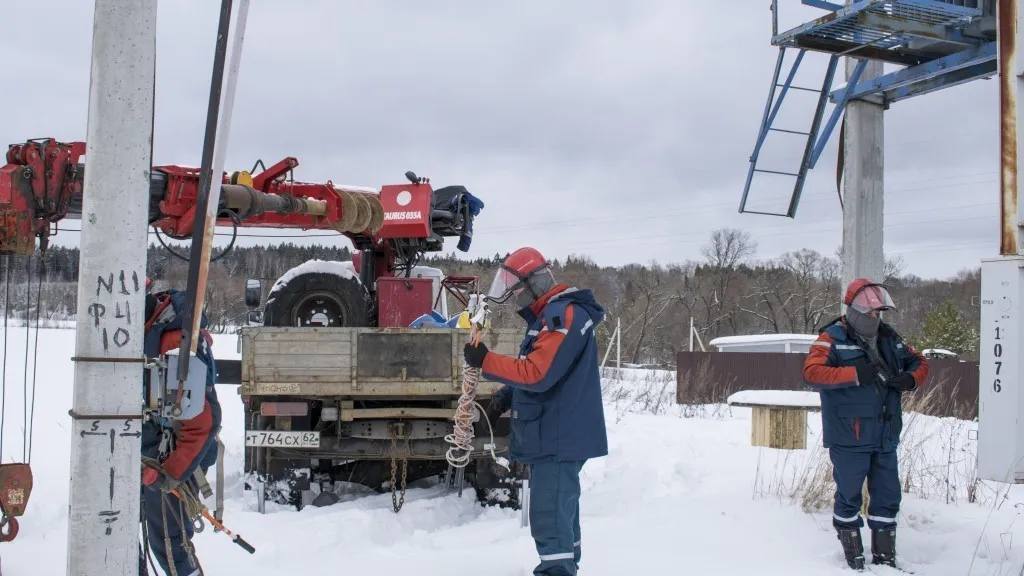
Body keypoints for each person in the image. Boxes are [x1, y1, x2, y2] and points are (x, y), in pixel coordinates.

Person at [463, 247, 608, 576]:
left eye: (518, 293)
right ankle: (566, 566)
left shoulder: (563, 316)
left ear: (533, 284)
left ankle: (558, 571)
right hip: (556, 432)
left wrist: (485, 361)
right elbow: (548, 369)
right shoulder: (550, 317)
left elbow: (539, 374)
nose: (517, 301)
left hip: (558, 436)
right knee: (561, 513)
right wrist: (507, 394)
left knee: (550, 518)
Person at [802, 279, 929, 570]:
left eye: (878, 313)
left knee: (887, 495)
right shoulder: (831, 338)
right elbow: (811, 372)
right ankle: (853, 559)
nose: (875, 318)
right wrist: (854, 374)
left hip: (885, 433)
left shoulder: (889, 337)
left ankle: (885, 559)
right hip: (849, 435)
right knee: (848, 494)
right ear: (854, 310)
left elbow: (919, 361)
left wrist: (911, 379)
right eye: (871, 313)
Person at [140, 281, 222, 576]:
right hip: (141, 453)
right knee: (124, 536)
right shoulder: (146, 335)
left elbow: (204, 422)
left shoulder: (176, 343)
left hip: (169, 457)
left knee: (170, 543)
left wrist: (169, 474)